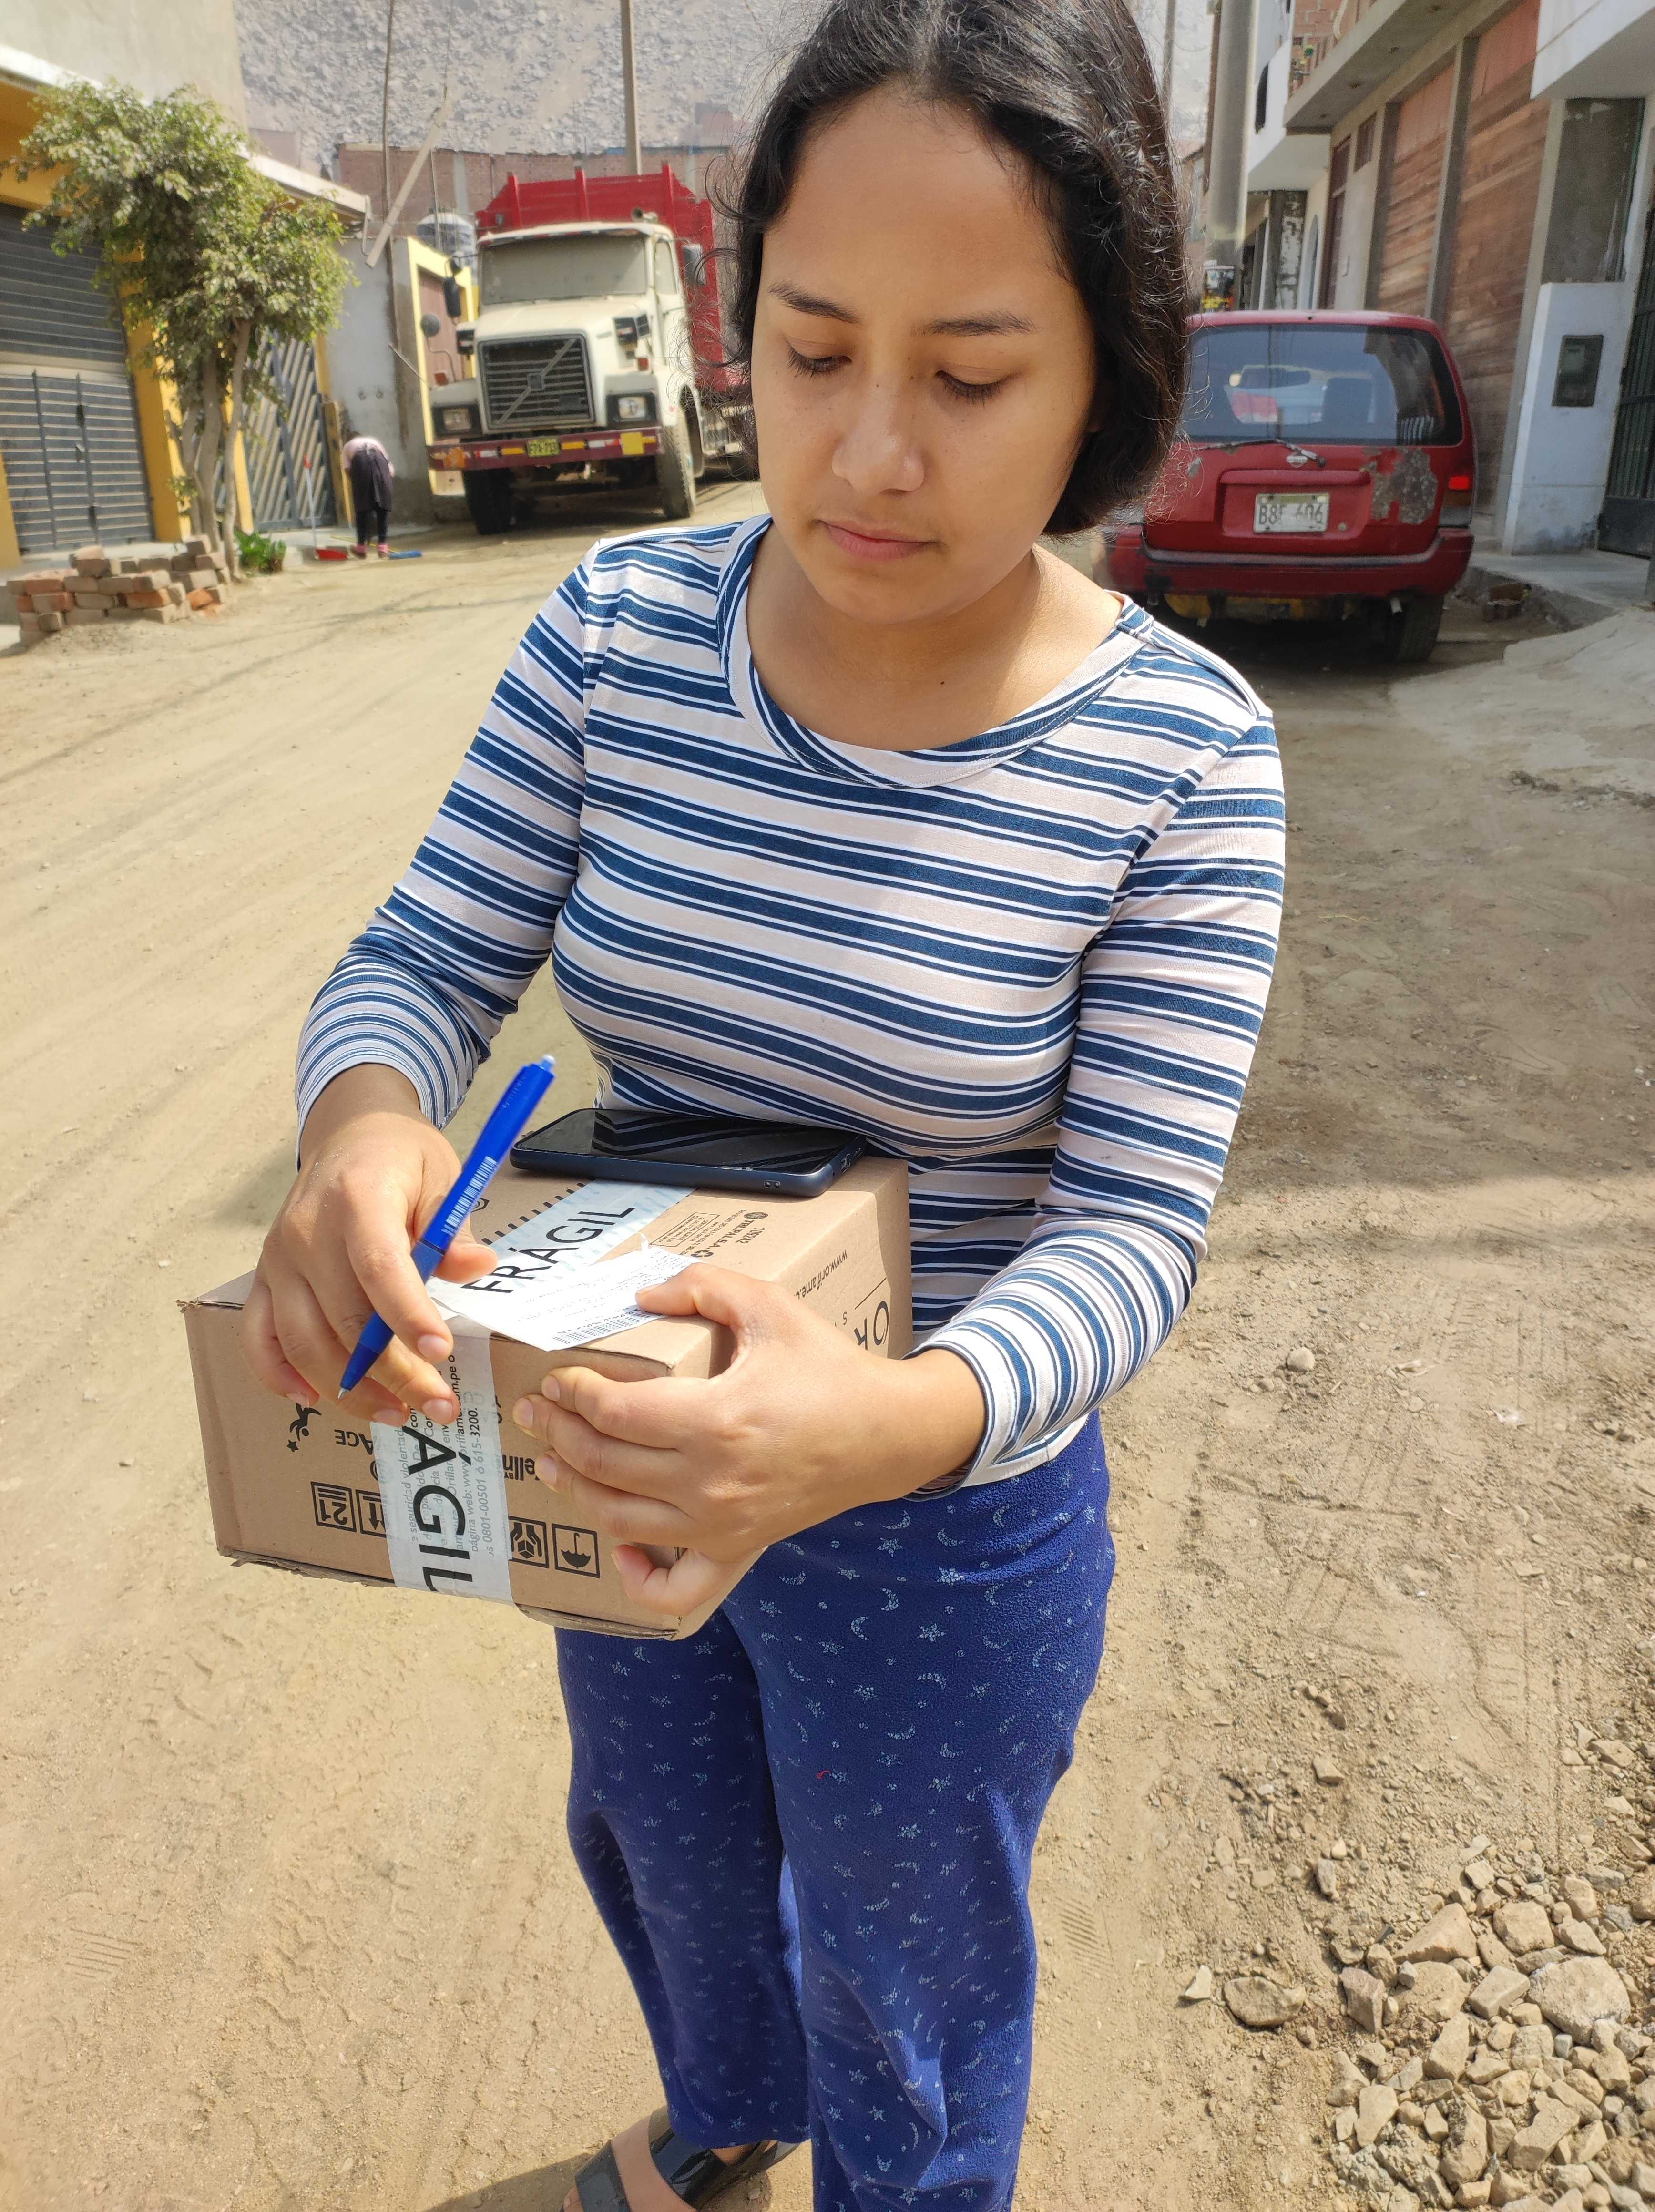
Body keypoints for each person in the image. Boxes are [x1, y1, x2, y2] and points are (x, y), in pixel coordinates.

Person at [246, 0, 1285, 2204]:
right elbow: (421, 959)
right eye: (813, 351)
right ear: (746, 326)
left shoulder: (1182, 756)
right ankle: (727, 2108)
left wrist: (884, 1423)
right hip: (619, 1425)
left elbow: (1131, 1228)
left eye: (970, 376)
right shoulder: (619, 632)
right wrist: (361, 1129)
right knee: (666, 1844)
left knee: (911, 1974)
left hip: (943, 1507)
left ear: (1108, 375)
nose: (870, 452)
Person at [341, 430, 393, 556]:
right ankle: (383, 548)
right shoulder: (375, 442)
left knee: (361, 509)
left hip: (361, 465)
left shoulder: (347, 446)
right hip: (381, 465)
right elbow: (390, 470)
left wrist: (359, 489)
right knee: (382, 509)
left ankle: (361, 548)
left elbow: (348, 470)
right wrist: (385, 488)